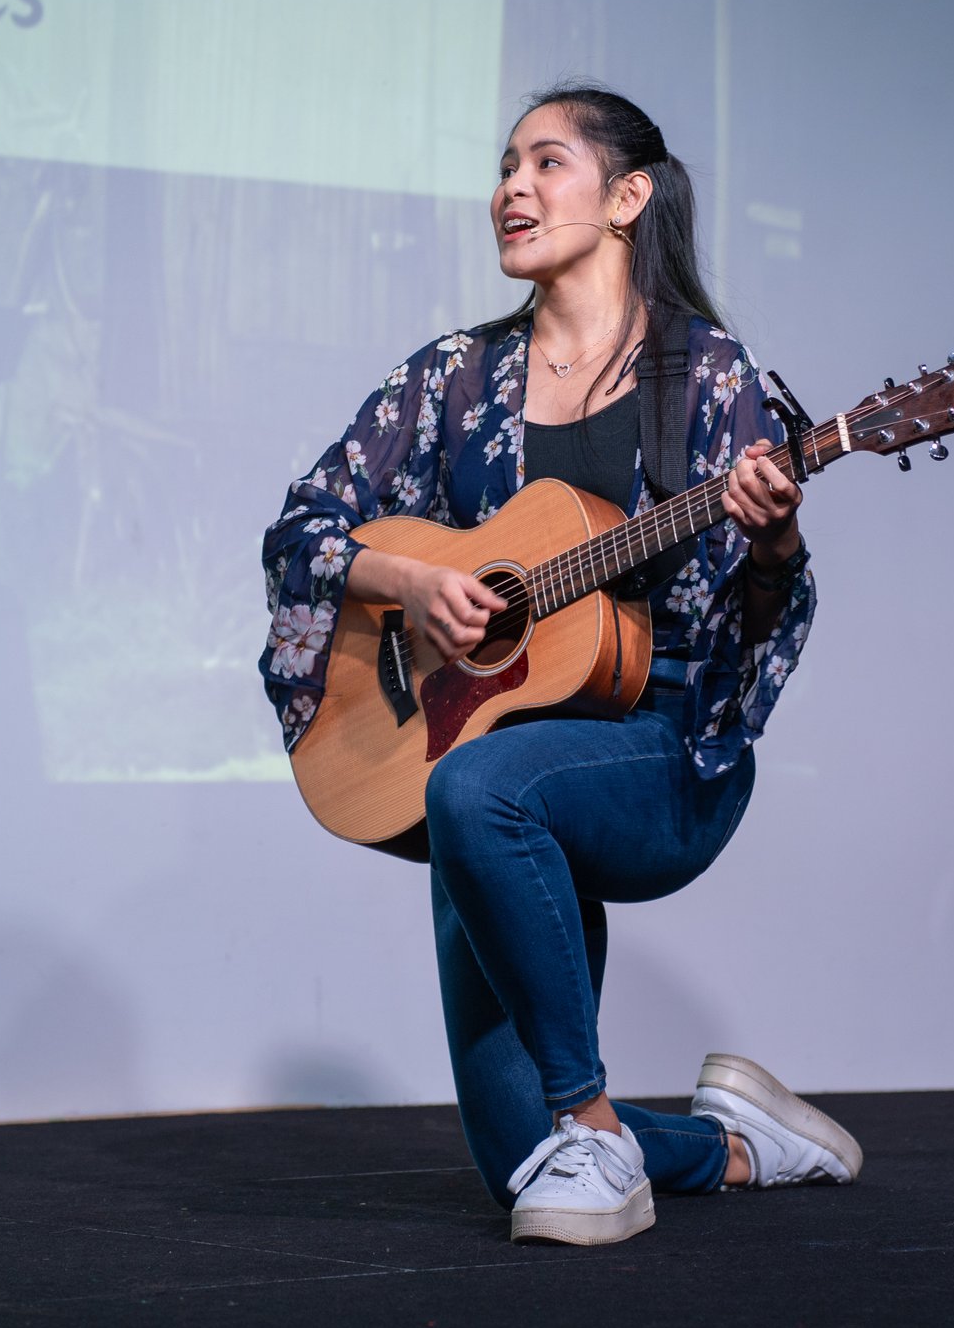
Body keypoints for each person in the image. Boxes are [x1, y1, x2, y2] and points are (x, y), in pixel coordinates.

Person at [259, 85, 860, 1247]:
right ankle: (739, 1140)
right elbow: (303, 528)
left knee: (480, 795)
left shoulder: (710, 377)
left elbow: (756, 625)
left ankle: (592, 1116)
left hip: (662, 748)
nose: (511, 189)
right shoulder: (450, 376)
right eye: (503, 167)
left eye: (547, 163)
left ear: (628, 196)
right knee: (513, 1161)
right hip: (481, 751)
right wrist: (413, 584)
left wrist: (775, 537)